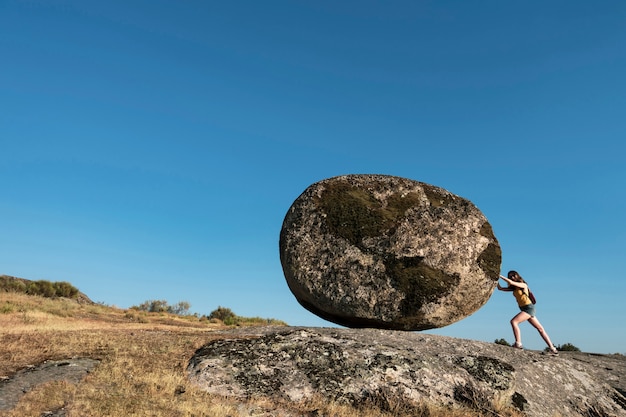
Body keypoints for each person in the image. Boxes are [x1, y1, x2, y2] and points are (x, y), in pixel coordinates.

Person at [497, 270, 559, 355]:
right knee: (540, 329)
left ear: (517, 276)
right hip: (524, 309)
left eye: (513, 275)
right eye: (510, 276)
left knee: (514, 322)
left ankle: (518, 344)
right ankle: (552, 348)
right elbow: (500, 288)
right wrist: (495, 280)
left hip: (528, 308)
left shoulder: (523, 285)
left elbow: (511, 282)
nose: (512, 277)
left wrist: (499, 275)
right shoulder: (514, 288)